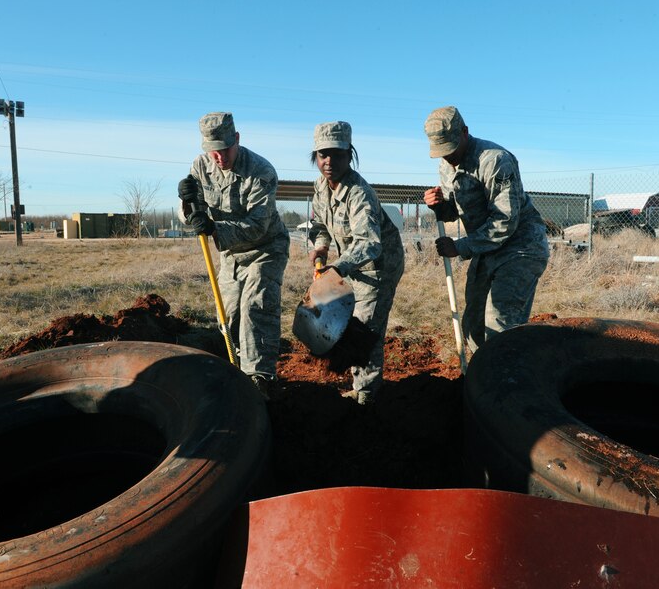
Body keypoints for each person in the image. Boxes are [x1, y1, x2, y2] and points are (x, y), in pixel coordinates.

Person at [178, 112, 289, 399]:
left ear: (237, 139)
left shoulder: (261, 170)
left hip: (265, 247)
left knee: (255, 307)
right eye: (212, 150)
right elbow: (195, 213)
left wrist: (214, 227)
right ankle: (236, 370)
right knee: (228, 315)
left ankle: (259, 378)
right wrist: (187, 206)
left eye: (225, 149)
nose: (219, 157)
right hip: (231, 252)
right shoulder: (200, 166)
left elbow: (257, 225)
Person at [422, 106, 548, 354]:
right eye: (441, 151)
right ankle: (481, 379)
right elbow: (453, 211)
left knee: (499, 325)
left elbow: (504, 222)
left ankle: (506, 384)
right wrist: (438, 205)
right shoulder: (446, 167)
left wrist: (459, 247)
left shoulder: (496, 160)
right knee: (474, 326)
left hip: (519, 248)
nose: (447, 157)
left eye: (450, 148)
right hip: (486, 249)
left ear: (465, 133)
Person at [308, 121, 404, 405]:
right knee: (349, 321)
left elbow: (370, 244)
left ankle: (367, 393)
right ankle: (359, 384)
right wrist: (321, 248)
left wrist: (337, 268)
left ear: (349, 155)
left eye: (337, 155)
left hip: (378, 267)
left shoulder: (358, 193)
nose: (329, 161)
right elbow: (321, 224)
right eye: (323, 154)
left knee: (366, 328)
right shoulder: (320, 186)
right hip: (350, 265)